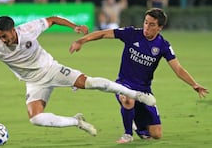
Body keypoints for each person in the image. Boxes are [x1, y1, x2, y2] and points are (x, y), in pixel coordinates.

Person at [0, 15, 157, 136]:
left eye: (4, 35)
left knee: (91, 83)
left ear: (13, 31)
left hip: (51, 69)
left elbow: (53, 19)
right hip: (33, 83)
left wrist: (74, 26)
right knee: (36, 119)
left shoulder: (28, 29)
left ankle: (137, 95)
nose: (2, 40)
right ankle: (77, 122)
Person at [69, 8, 209, 143]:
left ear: (159, 28)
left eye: (151, 24)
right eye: (145, 22)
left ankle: (137, 125)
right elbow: (103, 34)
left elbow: (178, 68)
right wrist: (81, 41)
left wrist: (194, 84)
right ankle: (127, 134)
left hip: (144, 91)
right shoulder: (132, 34)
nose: (146, 27)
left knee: (156, 135)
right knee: (128, 99)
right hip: (123, 84)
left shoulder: (163, 45)